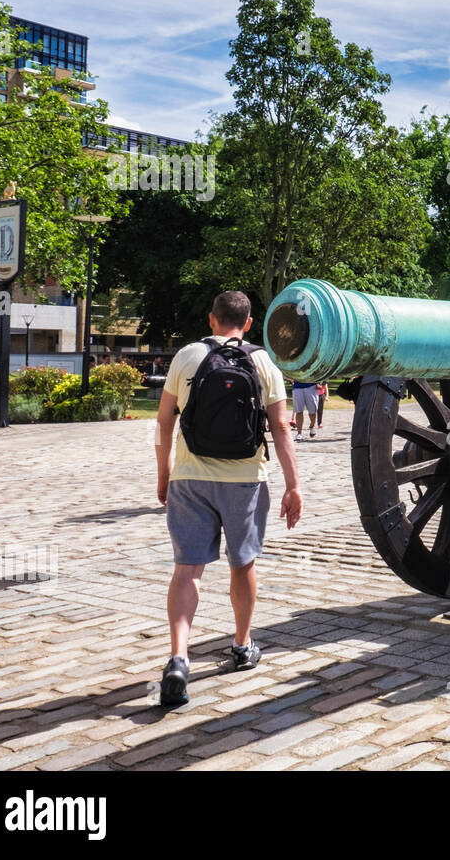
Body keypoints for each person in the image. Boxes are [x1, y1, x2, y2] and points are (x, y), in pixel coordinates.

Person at [154, 291, 302, 707]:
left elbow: (165, 421)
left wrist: (165, 473)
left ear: (212, 319)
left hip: (189, 477)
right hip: (246, 479)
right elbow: (281, 428)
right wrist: (293, 485)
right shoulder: (263, 362)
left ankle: (179, 658)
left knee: (188, 570)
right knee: (243, 563)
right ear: (250, 324)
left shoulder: (186, 356)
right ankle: (241, 644)